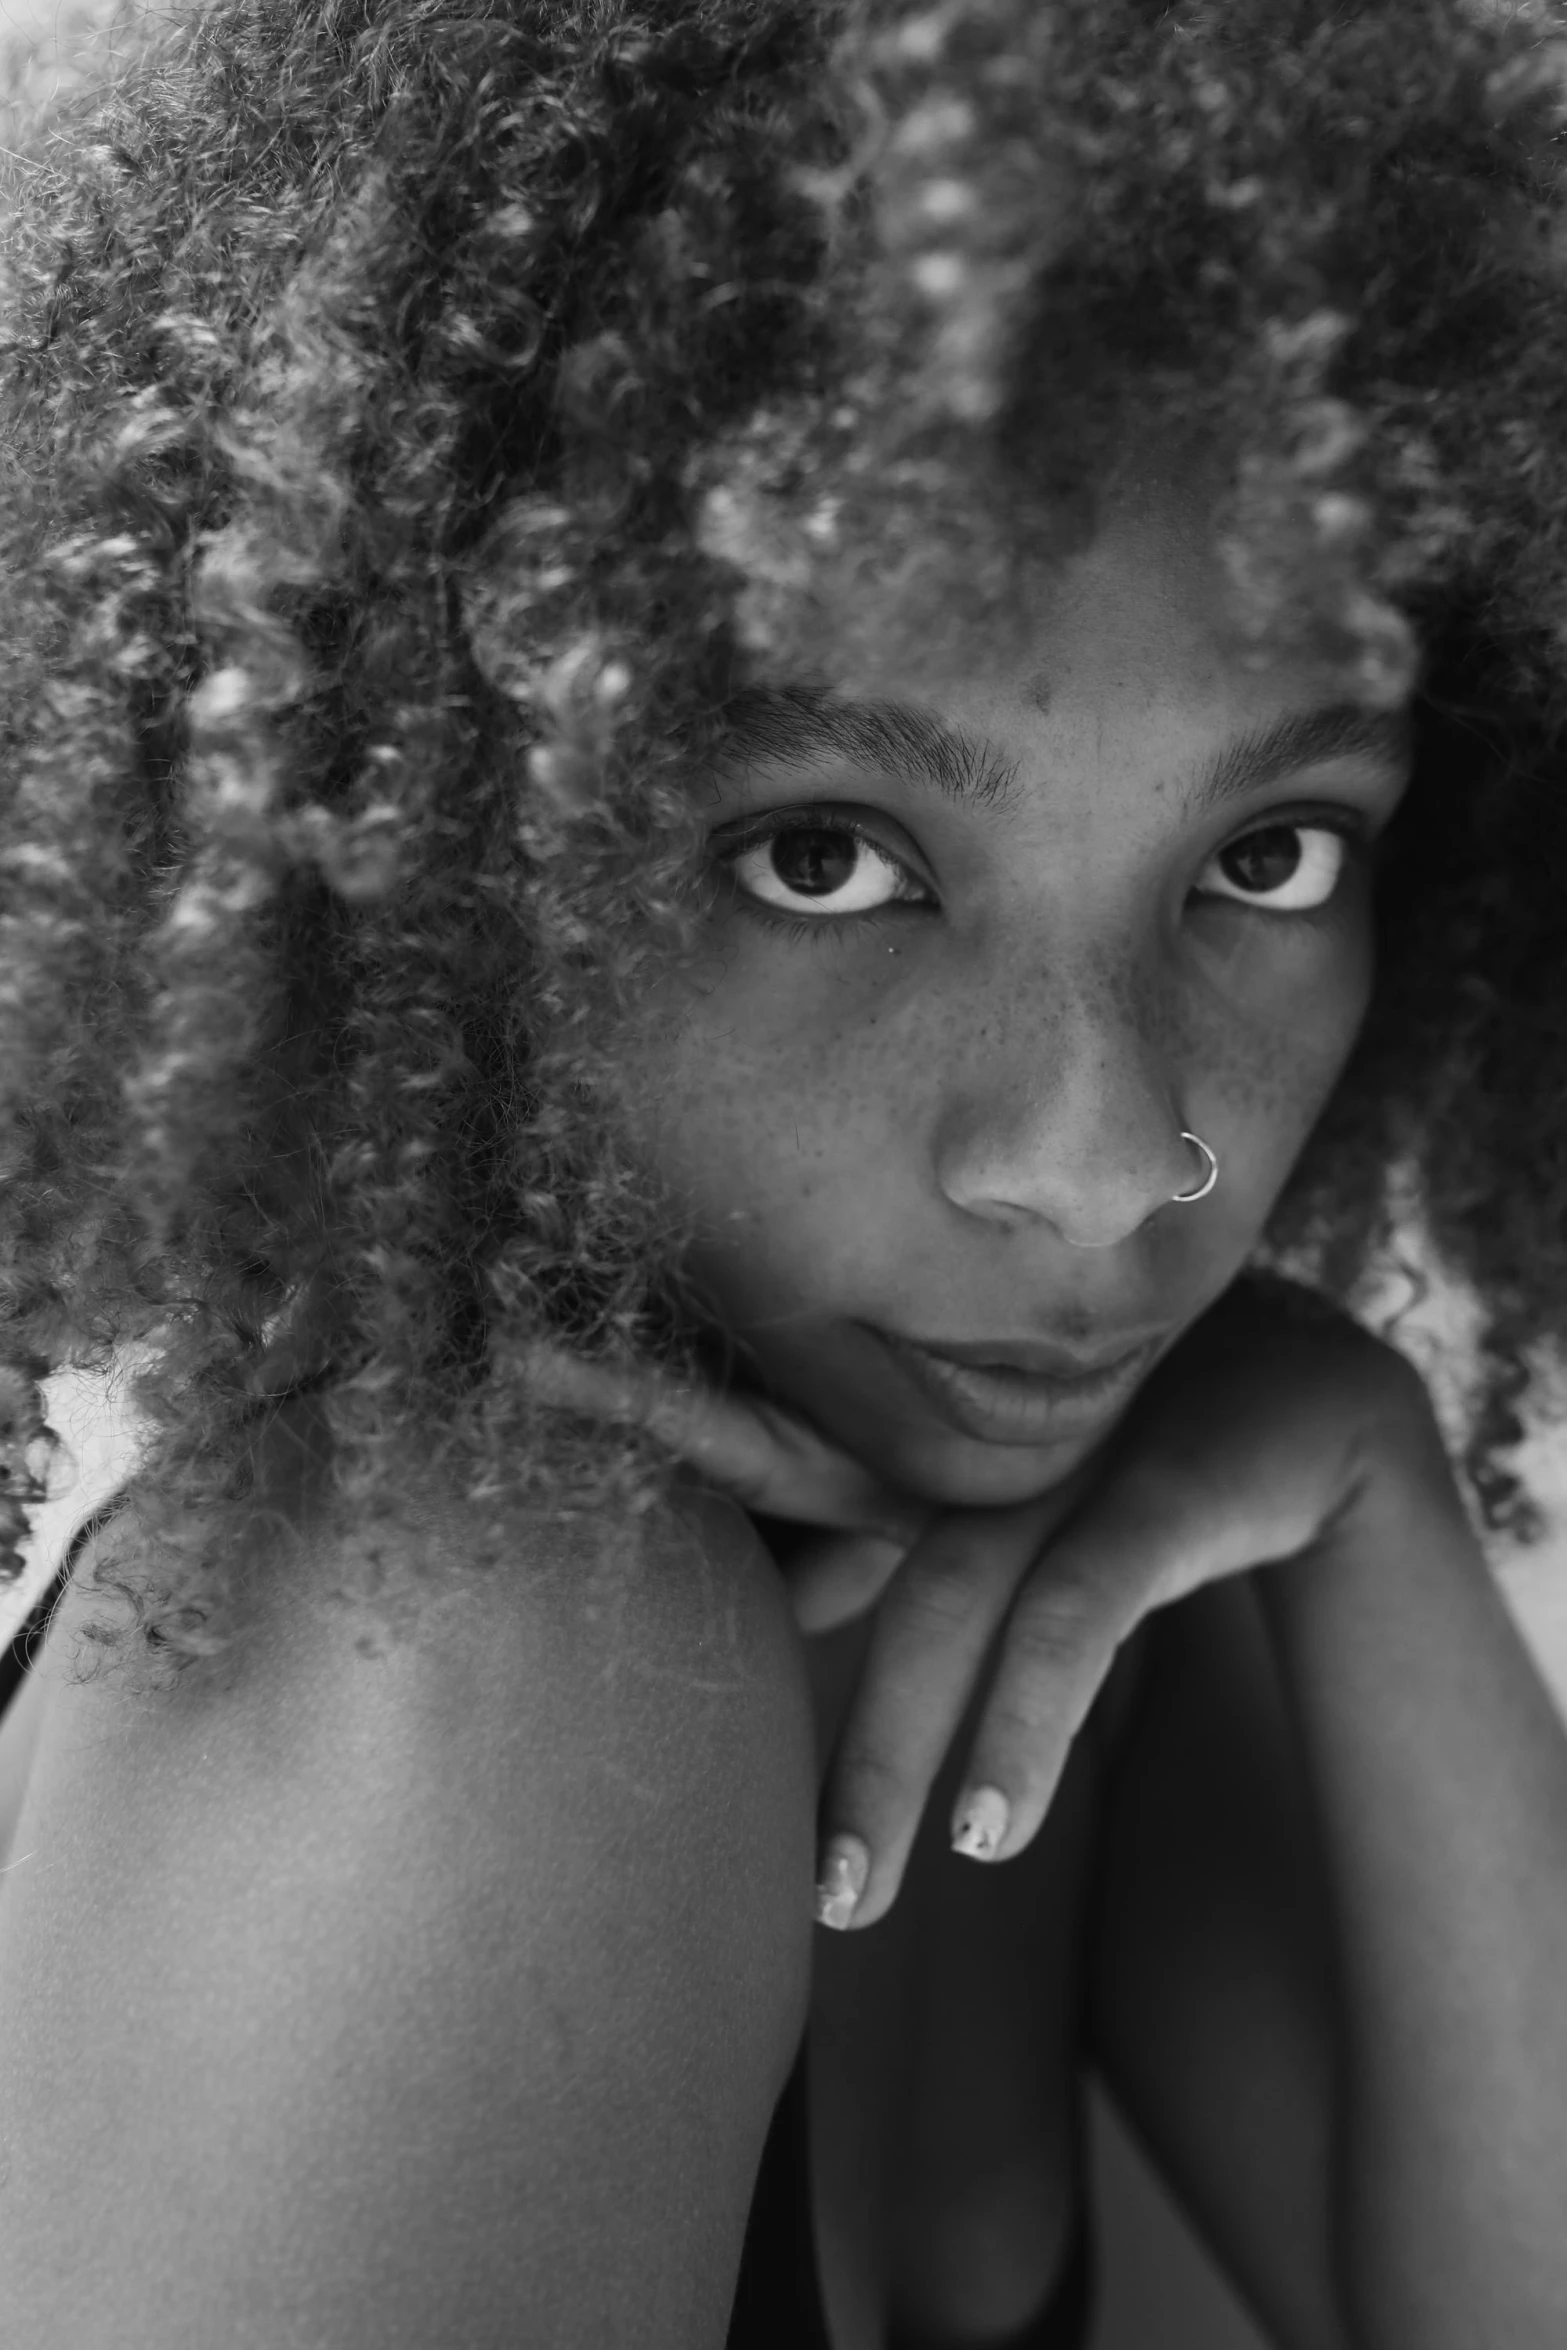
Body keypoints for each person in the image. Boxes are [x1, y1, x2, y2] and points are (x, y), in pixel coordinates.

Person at [2, 1, 1567, 2344]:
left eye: (1270, 844)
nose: (1108, 1160)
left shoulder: (1092, 1553)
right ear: (412, 862)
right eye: (822, 854)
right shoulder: (475, 1637)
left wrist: (1362, 1457)